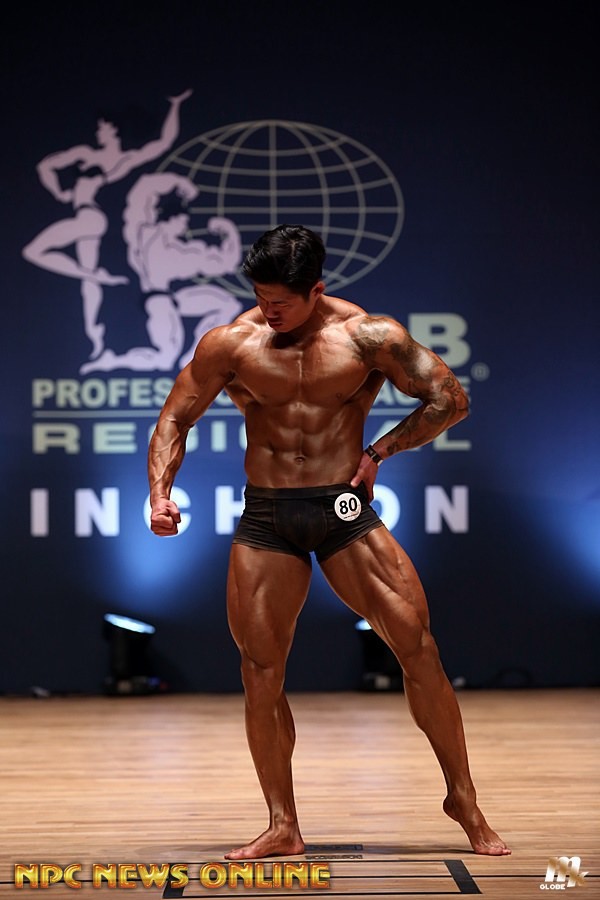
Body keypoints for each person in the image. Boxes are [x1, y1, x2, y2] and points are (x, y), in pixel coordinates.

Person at [148, 224, 510, 859]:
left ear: (316, 290)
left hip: (343, 508)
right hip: (267, 515)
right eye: (261, 297)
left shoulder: (369, 337)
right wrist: (159, 493)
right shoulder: (231, 344)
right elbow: (175, 417)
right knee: (260, 670)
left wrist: (379, 451)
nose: (269, 311)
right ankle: (282, 823)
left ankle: (464, 800)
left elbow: (449, 400)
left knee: (417, 647)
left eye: (282, 302)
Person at [22, 90, 192, 360]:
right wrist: (58, 192)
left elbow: (163, 143)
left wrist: (175, 106)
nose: (98, 133)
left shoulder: (115, 159)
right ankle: (95, 337)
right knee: (88, 284)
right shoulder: (92, 155)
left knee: (33, 251)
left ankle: (96, 279)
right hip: (90, 218)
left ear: (114, 130)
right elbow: (46, 166)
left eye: (102, 128)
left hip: (89, 217)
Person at [80, 172, 242, 373]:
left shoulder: (179, 251)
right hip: (158, 301)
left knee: (227, 304)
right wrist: (177, 182)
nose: (184, 227)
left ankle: (197, 354)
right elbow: (142, 194)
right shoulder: (146, 235)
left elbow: (224, 263)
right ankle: (112, 360)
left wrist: (229, 233)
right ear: (171, 219)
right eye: (182, 222)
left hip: (174, 298)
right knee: (165, 358)